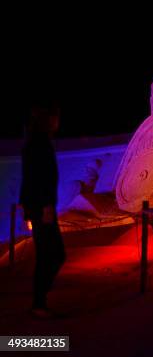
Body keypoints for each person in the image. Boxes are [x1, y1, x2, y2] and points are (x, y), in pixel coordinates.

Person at [19, 101, 65, 318]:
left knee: (49, 255)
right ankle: (39, 303)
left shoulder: (35, 143)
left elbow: (29, 179)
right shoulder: (39, 144)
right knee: (52, 255)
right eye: (55, 117)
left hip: (37, 208)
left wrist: (27, 208)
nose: (58, 122)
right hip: (42, 208)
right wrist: (45, 206)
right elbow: (38, 178)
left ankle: (40, 301)